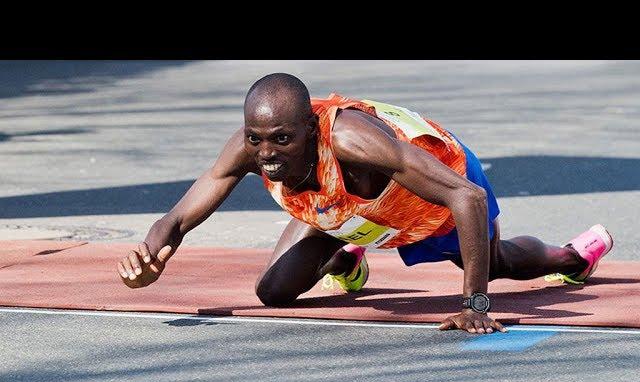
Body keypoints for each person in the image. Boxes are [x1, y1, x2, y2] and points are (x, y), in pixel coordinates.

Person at [116, 73, 613, 335]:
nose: (266, 156)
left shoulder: (353, 141)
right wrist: (150, 255)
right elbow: (179, 215)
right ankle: (349, 257)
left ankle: (573, 256)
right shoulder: (253, 146)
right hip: (341, 211)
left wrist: (474, 303)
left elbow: (469, 197)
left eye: (282, 140)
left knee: (492, 261)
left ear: (311, 130)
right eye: (257, 140)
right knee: (274, 292)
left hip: (433, 192)